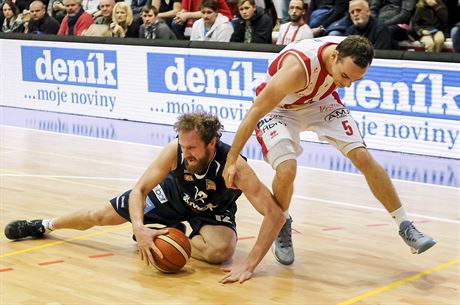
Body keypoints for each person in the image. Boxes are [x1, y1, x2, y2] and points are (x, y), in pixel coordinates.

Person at [222, 35, 436, 266]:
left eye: (355, 80)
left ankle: (405, 225)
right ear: (334, 56)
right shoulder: (297, 68)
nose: (346, 84)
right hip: (280, 110)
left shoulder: (350, 49)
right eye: (344, 76)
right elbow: (255, 111)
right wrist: (231, 159)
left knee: (363, 156)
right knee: (287, 168)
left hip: (321, 102)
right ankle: (282, 222)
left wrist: (343, 78)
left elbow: (344, 76)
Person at [4, 112, 285, 284]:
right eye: (182, 145)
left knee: (220, 253)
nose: (185, 152)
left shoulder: (235, 167)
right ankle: (43, 224)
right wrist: (138, 228)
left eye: (192, 148)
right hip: (172, 196)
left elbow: (275, 214)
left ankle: (173, 235)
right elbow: (140, 190)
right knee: (99, 216)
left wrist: (249, 266)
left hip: (211, 209)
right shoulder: (174, 150)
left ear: (212, 142)